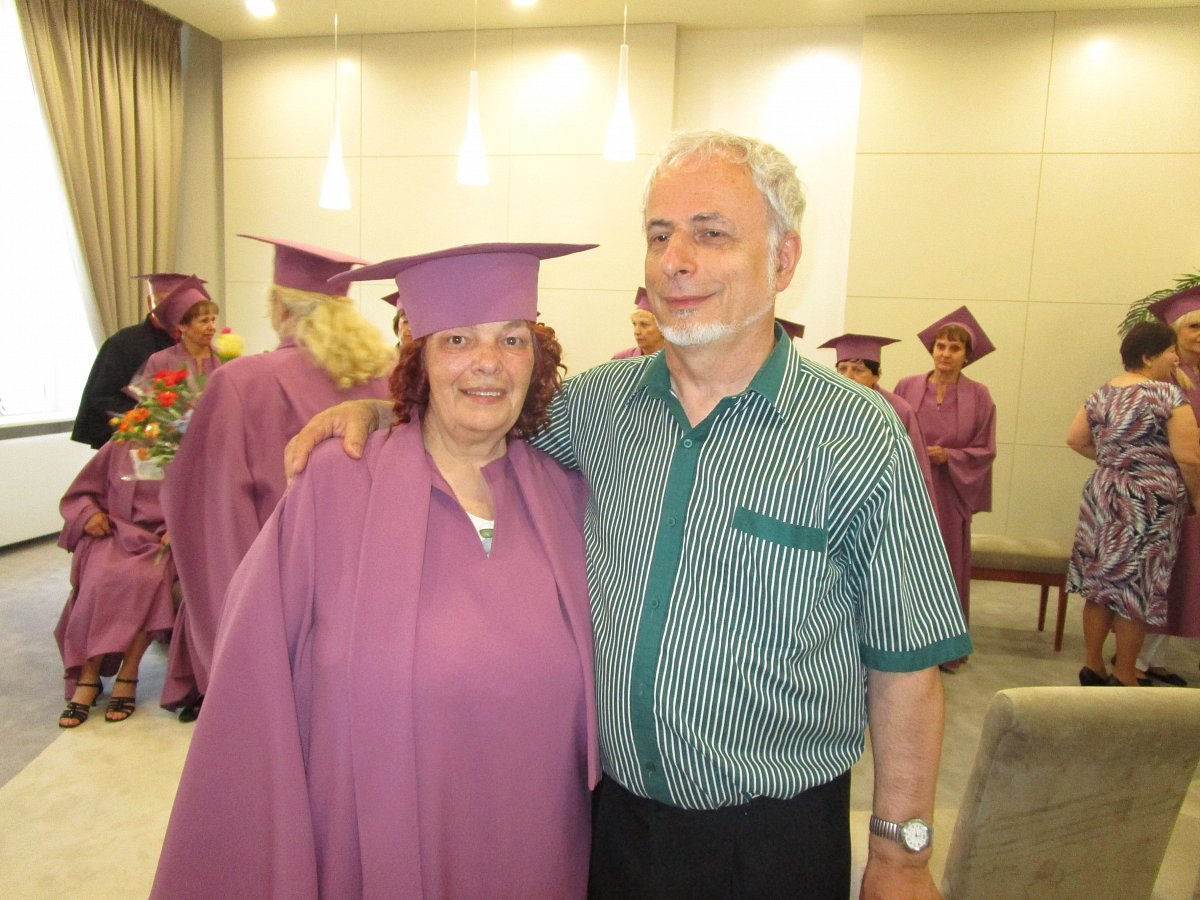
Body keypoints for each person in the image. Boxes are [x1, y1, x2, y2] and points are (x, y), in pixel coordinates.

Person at [286, 130, 971, 898]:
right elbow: (481, 417)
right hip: (612, 830)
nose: (675, 260)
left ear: (782, 260)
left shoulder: (857, 435)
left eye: (711, 234)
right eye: (659, 235)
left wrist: (902, 855)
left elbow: (907, 665)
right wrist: (384, 412)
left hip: (770, 841)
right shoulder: (595, 409)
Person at [151, 242, 599, 898]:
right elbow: (254, 679)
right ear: (417, 359)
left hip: (539, 838)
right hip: (382, 836)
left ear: (537, 359)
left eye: (512, 339)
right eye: (457, 340)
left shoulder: (569, 493)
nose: (488, 361)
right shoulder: (336, 485)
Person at [159, 235, 395, 720]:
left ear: (280, 307)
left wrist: (236, 631)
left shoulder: (241, 382)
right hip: (382, 591)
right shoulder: (391, 378)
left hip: (289, 594)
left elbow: (213, 511)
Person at [1066, 320, 1200, 687]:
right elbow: (1189, 458)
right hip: (1149, 501)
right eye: (1170, 352)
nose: (1176, 359)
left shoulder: (1102, 393)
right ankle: (1125, 673)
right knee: (1136, 589)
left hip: (1104, 494)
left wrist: (1117, 461)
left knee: (1100, 584)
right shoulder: (1168, 396)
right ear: (1148, 356)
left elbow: (1075, 439)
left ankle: (1093, 664)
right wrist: (1195, 497)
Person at [54, 438, 176, 726]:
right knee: (100, 580)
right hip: (114, 533)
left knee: (149, 579)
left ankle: (128, 673)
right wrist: (90, 514)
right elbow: (81, 493)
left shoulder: (190, 446)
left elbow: (204, 498)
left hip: (158, 540)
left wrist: (180, 528)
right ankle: (88, 675)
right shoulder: (120, 444)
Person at [893, 307, 997, 643]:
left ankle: (943, 643)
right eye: (940, 346)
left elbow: (985, 448)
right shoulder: (906, 386)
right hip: (910, 488)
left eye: (955, 348)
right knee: (907, 562)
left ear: (967, 356)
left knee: (946, 563)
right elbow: (891, 432)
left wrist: (949, 456)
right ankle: (905, 638)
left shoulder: (979, 395)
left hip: (951, 491)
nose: (945, 354)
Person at [1136, 285, 1200, 683]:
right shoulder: (1167, 379)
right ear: (1175, 332)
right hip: (1172, 487)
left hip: (1191, 483)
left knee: (1186, 574)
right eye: (1194, 326)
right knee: (1163, 573)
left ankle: (1153, 657)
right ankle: (1137, 658)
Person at [70, 273, 198, 449]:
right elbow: (101, 398)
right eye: (163, 301)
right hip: (135, 443)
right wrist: (147, 417)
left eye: (177, 303)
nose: (170, 309)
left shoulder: (194, 343)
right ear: (150, 303)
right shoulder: (123, 343)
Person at [821, 332, 935, 497]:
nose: (848, 377)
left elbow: (916, 469)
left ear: (877, 375)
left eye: (858, 370)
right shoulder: (826, 408)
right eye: (842, 369)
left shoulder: (899, 411)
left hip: (886, 500)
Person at [130, 276, 222, 391]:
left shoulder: (224, 358)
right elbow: (148, 398)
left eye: (213, 320)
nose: (212, 327)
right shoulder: (159, 361)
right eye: (204, 321)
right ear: (182, 325)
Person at [611, 288, 665, 358]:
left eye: (644, 324)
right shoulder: (621, 358)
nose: (636, 332)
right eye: (634, 324)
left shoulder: (676, 359)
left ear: (662, 328)